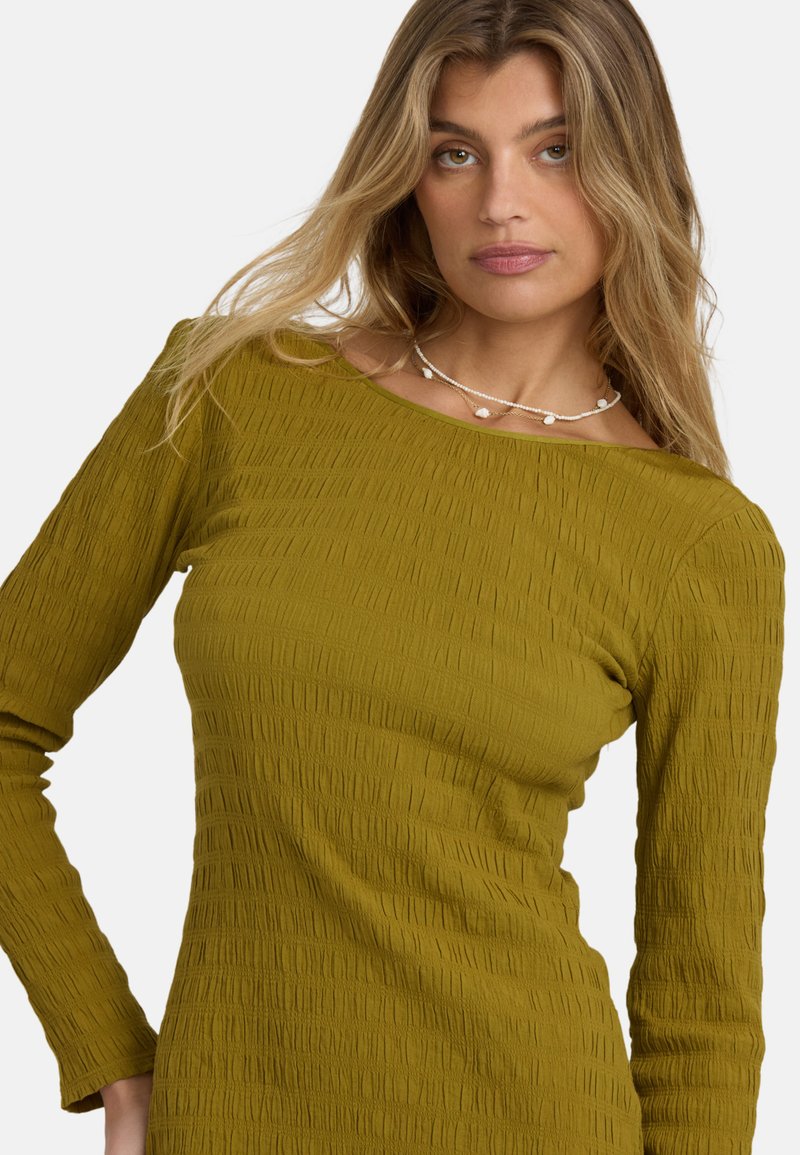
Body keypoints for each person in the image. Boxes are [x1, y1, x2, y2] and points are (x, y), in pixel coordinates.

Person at [0, 0, 785, 1152]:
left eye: (555, 149)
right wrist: (110, 1055)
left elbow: (701, 994)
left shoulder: (698, 541)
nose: (499, 201)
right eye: (453, 152)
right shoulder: (232, 392)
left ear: (636, 172)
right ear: (404, 174)